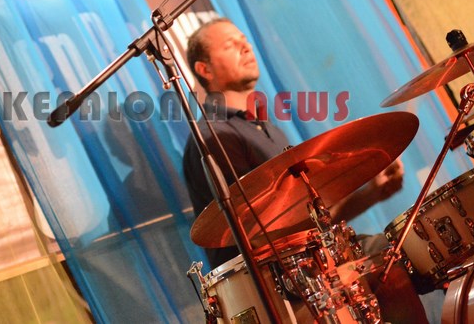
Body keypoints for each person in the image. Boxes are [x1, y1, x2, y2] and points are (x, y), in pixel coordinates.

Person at [182, 18, 428, 323]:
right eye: (231, 44)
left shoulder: (263, 127)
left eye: (244, 39)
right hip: (273, 288)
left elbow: (307, 226)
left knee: (399, 250)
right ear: (204, 69)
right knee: (387, 257)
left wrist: (371, 193)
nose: (246, 47)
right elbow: (261, 238)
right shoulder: (215, 136)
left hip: (306, 266)